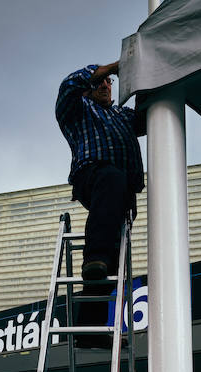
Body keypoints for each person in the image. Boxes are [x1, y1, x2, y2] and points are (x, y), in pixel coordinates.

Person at [56, 61, 145, 348]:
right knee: (99, 256)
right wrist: (115, 66)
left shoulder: (122, 115)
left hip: (121, 194)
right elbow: (70, 85)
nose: (107, 87)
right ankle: (94, 257)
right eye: (101, 83)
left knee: (109, 263)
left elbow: (146, 116)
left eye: (110, 84)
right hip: (93, 176)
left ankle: (89, 332)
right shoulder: (78, 109)